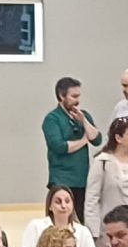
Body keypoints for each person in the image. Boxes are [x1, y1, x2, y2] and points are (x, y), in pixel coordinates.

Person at [42, 76, 102, 219]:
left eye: (79, 96)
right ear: (61, 96)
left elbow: (97, 139)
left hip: (82, 180)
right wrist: (83, 140)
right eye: (73, 96)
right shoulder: (52, 119)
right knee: (61, 218)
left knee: (82, 219)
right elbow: (60, 147)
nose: (77, 100)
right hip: (61, 179)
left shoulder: (83, 115)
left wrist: (84, 121)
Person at [85, 117, 128, 236]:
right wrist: (93, 232)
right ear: (118, 138)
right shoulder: (102, 162)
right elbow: (92, 199)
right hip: (113, 227)